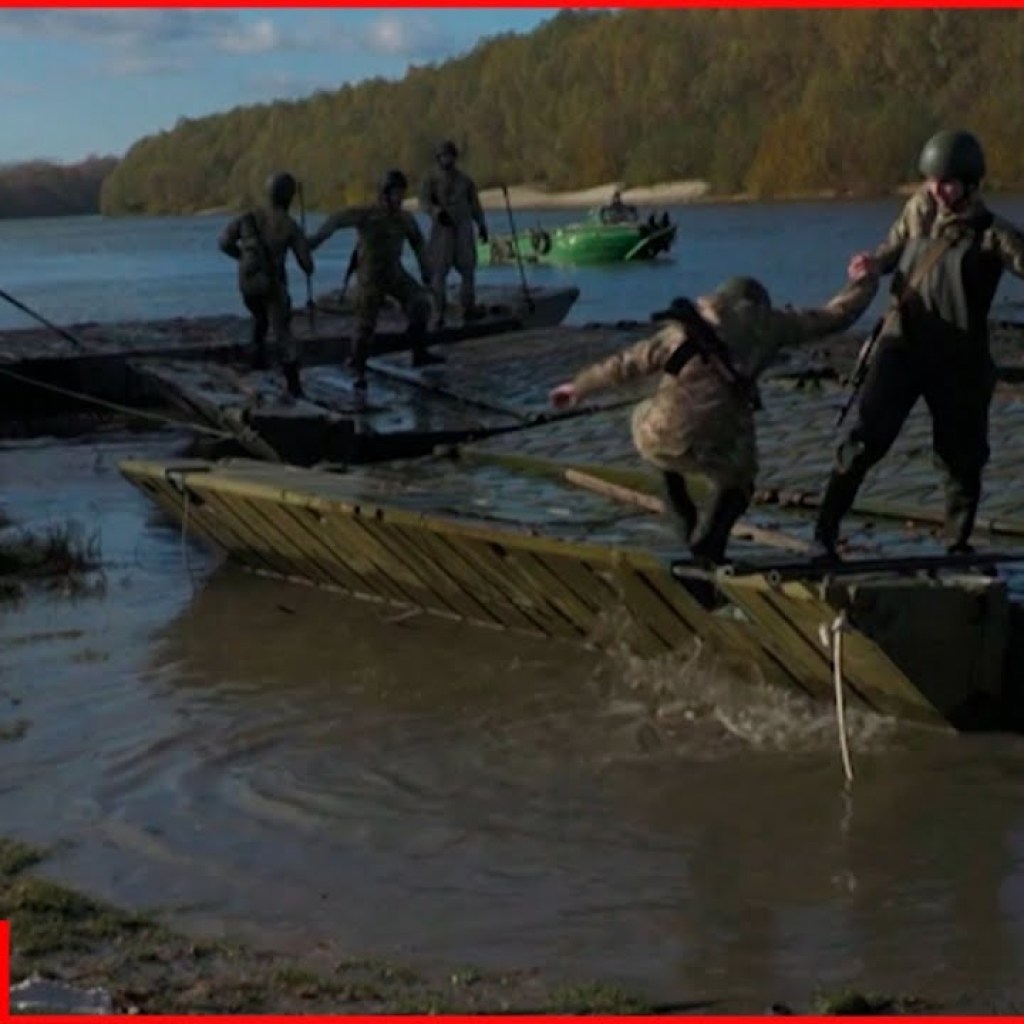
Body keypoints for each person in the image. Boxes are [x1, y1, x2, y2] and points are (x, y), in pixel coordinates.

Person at [548, 265, 878, 567]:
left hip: (663, 433)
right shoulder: (773, 324)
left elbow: (627, 363)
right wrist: (865, 279)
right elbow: (836, 316)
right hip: (720, 434)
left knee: (645, 426)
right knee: (740, 479)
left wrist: (578, 387)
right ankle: (709, 542)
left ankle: (683, 517)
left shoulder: (684, 327)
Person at [813, 129, 1024, 561]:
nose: (936, 190)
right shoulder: (917, 212)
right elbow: (889, 253)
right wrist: (870, 264)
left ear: (969, 183)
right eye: (931, 180)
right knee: (862, 442)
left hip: (958, 359)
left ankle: (956, 543)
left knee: (960, 460)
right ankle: (824, 534)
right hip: (901, 348)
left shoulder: (992, 234)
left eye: (946, 182)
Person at [307, 169, 442, 401]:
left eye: (401, 193)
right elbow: (337, 220)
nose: (399, 198)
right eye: (395, 193)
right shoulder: (367, 215)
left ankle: (419, 351)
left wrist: (426, 272)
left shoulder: (405, 219)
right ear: (384, 194)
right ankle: (358, 367)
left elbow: (419, 244)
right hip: (370, 276)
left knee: (420, 303)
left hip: (394, 273)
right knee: (365, 324)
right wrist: (316, 239)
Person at [218, 171, 314, 398]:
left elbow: (223, 242)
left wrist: (241, 256)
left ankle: (256, 359)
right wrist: (306, 252)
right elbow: (307, 265)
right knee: (282, 331)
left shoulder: (248, 217)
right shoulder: (290, 226)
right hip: (271, 284)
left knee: (260, 316)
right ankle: (294, 385)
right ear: (289, 197)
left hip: (247, 283)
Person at [418, 139, 489, 328]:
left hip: (464, 227)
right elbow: (424, 201)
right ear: (438, 158)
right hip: (442, 229)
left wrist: (481, 224)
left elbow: (475, 204)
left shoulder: (465, 180)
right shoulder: (430, 179)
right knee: (438, 273)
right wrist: (436, 212)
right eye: (443, 156)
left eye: (449, 155)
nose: (446, 159)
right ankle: (438, 312)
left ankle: (468, 307)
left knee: (468, 269)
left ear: (454, 157)